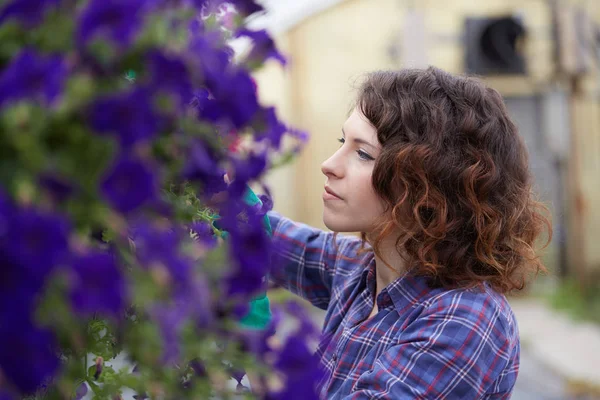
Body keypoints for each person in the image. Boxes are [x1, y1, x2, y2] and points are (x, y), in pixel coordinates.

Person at [266, 66, 551, 399]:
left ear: (428, 185)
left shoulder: (462, 323)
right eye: (344, 141)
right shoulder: (366, 271)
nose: (328, 164)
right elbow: (270, 239)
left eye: (362, 153)